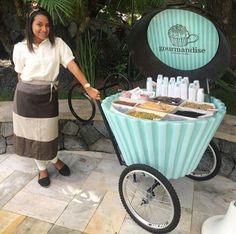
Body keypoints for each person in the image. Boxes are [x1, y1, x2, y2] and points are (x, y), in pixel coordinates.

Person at [12, 3, 100, 187]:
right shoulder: (20, 48)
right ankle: (42, 169)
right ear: (30, 25)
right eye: (39, 25)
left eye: (47, 25)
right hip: (25, 98)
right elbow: (19, 75)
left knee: (48, 134)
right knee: (32, 136)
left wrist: (87, 86)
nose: (44, 29)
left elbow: (72, 64)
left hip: (47, 96)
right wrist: (27, 92)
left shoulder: (57, 44)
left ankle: (54, 159)